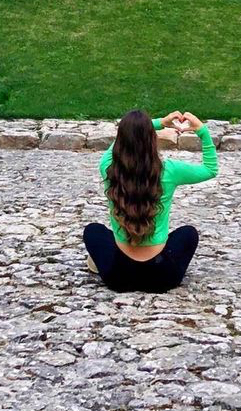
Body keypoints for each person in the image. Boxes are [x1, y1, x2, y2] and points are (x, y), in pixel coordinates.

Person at [83, 108, 218, 293]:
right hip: (161, 276)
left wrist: (158, 122)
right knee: (188, 233)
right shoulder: (169, 170)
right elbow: (211, 169)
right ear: (153, 139)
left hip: (118, 277)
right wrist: (201, 130)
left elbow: (117, 144)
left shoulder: (109, 168)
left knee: (93, 231)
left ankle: (101, 262)